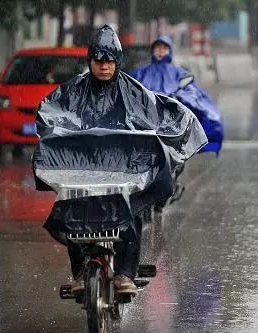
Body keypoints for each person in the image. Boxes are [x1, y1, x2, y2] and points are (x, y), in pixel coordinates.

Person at [34, 26, 207, 296]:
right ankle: (80, 272)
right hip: (82, 171)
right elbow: (49, 114)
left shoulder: (133, 92)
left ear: (117, 62)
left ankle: (125, 273)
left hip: (124, 171)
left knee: (131, 211)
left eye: (109, 61)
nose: (104, 67)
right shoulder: (72, 92)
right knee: (73, 209)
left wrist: (180, 124)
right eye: (99, 61)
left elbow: (156, 112)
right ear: (90, 61)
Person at [131, 36, 223, 155]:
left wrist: (178, 96)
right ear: (153, 50)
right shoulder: (140, 73)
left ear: (169, 51)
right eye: (158, 48)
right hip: (146, 120)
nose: (160, 51)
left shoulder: (179, 74)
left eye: (164, 48)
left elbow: (192, 93)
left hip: (172, 120)